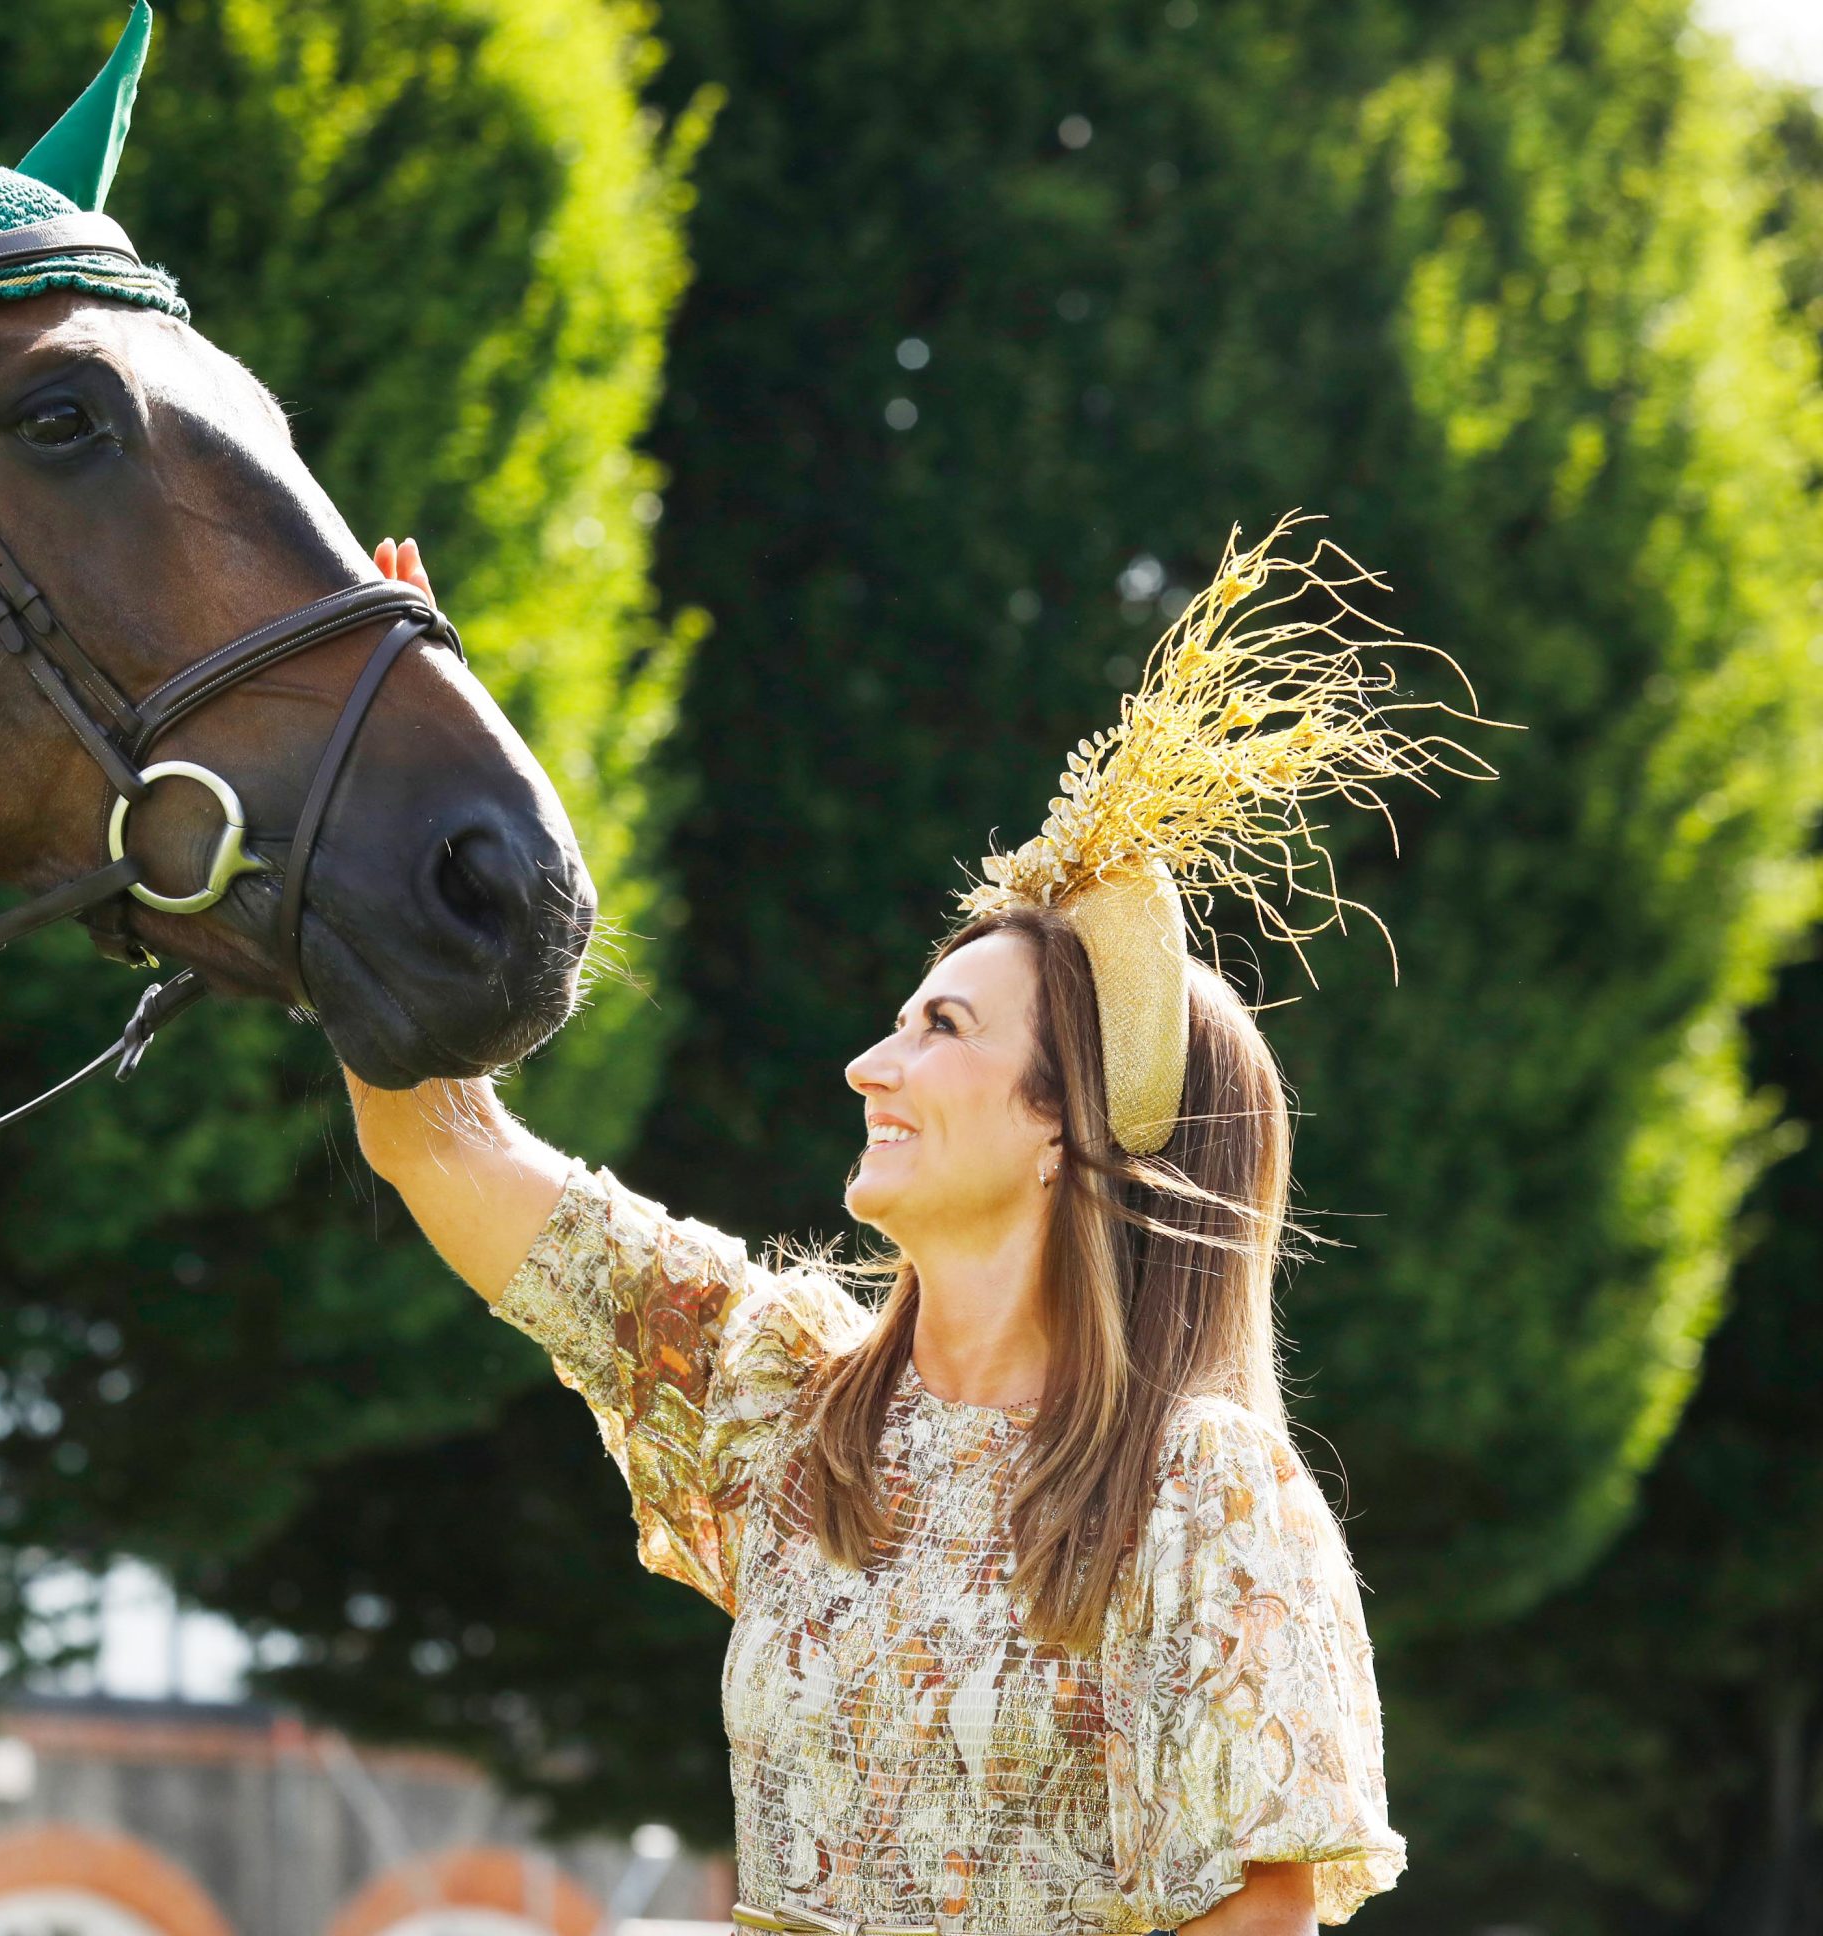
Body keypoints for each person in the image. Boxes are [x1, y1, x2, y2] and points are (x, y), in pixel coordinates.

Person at [348, 523, 1492, 1933]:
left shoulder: (1204, 1492)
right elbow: (431, 1134)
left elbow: (1260, 1919)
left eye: (938, 1030)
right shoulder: (777, 1392)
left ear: (1065, 1125)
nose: (866, 1068)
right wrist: (362, 805)